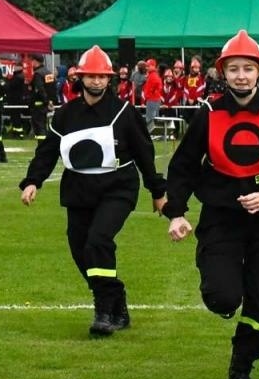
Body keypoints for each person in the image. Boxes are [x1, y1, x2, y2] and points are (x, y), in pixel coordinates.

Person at [165, 31, 259, 379]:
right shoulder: (209, 114)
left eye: (248, 69)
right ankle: (221, 286)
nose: (241, 76)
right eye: (234, 69)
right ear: (223, 73)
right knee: (224, 297)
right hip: (220, 219)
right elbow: (183, 166)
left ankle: (241, 370)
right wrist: (176, 213)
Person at [19, 45, 166, 337]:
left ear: (109, 79)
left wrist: (157, 191)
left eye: (102, 77)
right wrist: (33, 181)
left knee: (98, 241)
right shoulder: (66, 115)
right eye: (91, 76)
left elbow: (144, 153)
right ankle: (115, 296)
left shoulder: (124, 112)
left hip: (117, 188)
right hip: (79, 190)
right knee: (80, 250)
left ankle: (103, 311)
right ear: (81, 78)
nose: (97, 81)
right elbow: (47, 151)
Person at [141, 59, 164, 131]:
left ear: (153, 66)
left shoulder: (153, 75)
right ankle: (154, 133)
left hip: (152, 100)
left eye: (148, 66)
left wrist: (150, 94)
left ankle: (152, 133)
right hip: (152, 99)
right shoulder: (152, 75)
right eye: (146, 66)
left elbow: (157, 87)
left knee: (151, 119)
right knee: (153, 118)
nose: (146, 68)